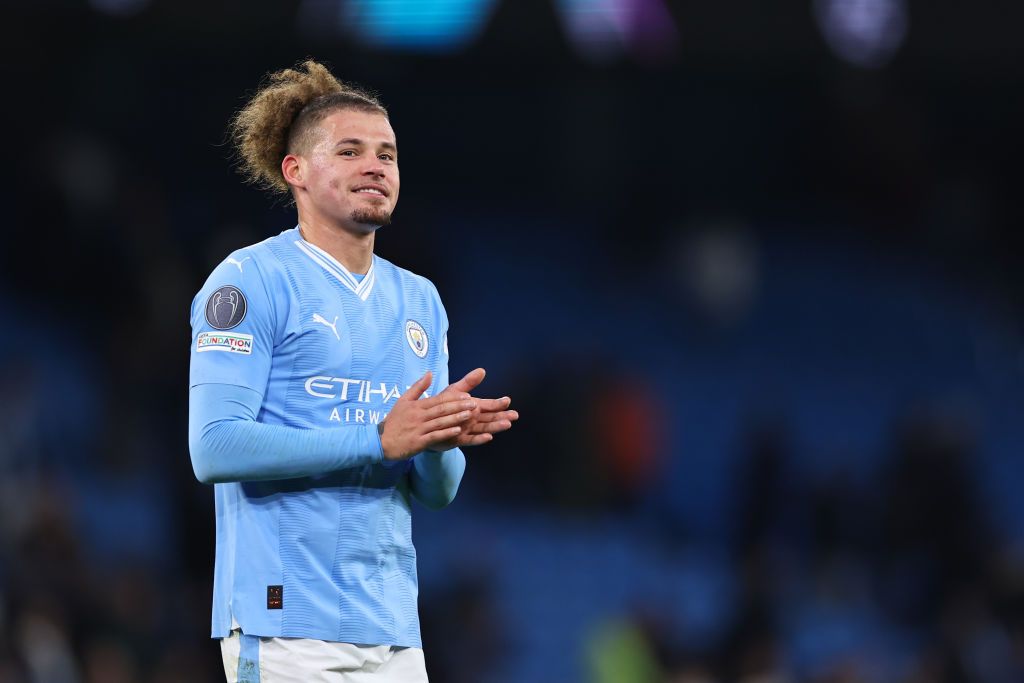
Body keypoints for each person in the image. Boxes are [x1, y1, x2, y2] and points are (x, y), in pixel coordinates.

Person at [187, 60, 518, 682]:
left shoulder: (420, 300)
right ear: (297, 172)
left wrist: (440, 442)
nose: (376, 166)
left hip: (392, 630)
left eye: (387, 154)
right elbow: (213, 447)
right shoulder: (249, 280)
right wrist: (377, 439)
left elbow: (437, 492)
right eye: (350, 151)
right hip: (285, 621)